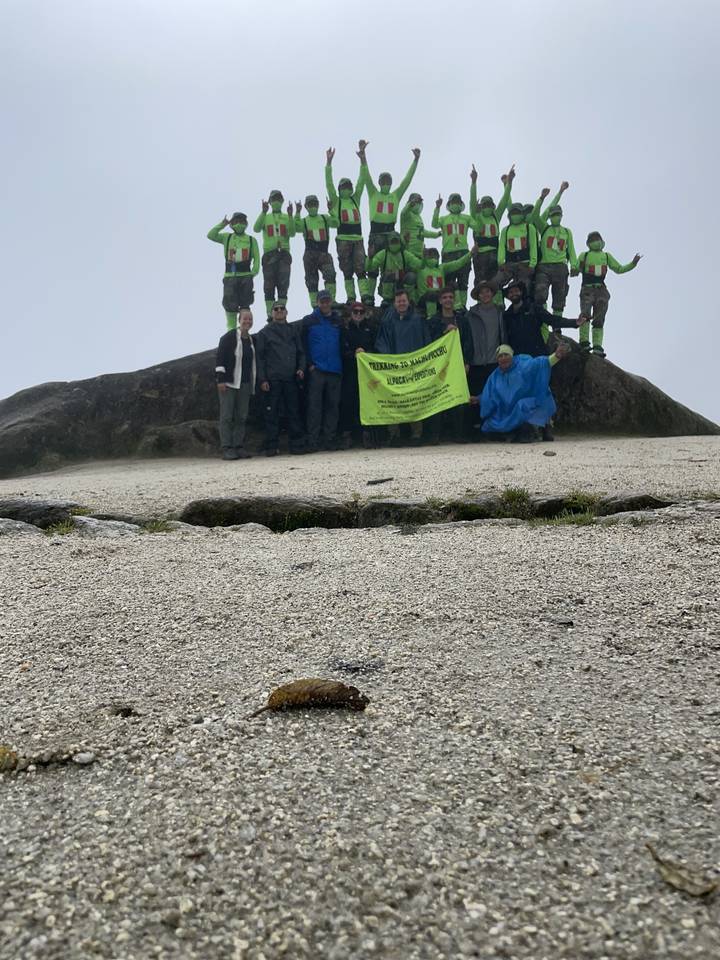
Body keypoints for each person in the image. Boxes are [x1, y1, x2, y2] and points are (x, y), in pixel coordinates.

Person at [503, 279, 583, 440]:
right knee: (522, 393)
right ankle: (526, 429)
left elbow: (553, 320)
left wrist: (575, 323)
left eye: (516, 290)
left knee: (543, 392)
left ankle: (546, 426)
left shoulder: (533, 308)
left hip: (538, 356)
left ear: (521, 291)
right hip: (519, 361)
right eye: (510, 292)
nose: (513, 293)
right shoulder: (507, 315)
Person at [375, 289, 441, 445]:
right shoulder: (388, 322)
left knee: (415, 399)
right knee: (394, 399)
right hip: (395, 368)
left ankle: (416, 434)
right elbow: (381, 342)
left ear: (408, 301)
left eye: (403, 300)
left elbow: (427, 342)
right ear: (394, 303)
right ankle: (393, 434)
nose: (401, 303)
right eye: (398, 301)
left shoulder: (418, 320)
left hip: (414, 367)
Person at [358, 140, 421, 300]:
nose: (385, 183)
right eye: (383, 181)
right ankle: (370, 297)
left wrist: (415, 161)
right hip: (376, 233)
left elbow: (407, 180)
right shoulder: (373, 193)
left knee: (392, 265)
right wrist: (363, 158)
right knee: (372, 268)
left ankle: (391, 296)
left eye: (388, 181)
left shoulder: (396, 195)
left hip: (391, 234)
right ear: (379, 183)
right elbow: (366, 177)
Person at [476, 342, 570, 442]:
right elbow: (490, 394)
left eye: (506, 355)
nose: (503, 358)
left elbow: (541, 363)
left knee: (522, 406)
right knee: (488, 425)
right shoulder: (494, 376)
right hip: (508, 411)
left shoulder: (523, 364)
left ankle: (545, 428)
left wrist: (556, 356)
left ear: (512, 355)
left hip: (529, 403)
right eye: (500, 356)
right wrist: (479, 398)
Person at [574, 232, 642, 357]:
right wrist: (576, 268)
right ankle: (583, 342)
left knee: (599, 318)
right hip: (587, 289)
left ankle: (597, 345)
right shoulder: (584, 255)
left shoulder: (606, 256)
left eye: (597, 239)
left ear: (601, 241)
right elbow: (574, 270)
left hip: (601, 290)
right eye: (593, 239)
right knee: (585, 314)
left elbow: (619, 269)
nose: (596, 242)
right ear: (588, 243)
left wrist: (633, 264)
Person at [255, 303, 306, 456]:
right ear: (271, 313)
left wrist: (301, 368)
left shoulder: (293, 331)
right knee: (272, 413)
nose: (279, 311)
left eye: (281, 309)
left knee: (293, 411)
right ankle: (272, 446)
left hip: (291, 378)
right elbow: (260, 358)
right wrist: (262, 379)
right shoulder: (264, 333)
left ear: (286, 312)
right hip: (272, 379)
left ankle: (296, 445)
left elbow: (301, 353)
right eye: (276, 309)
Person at [301, 291, 344, 452]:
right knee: (314, 406)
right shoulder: (308, 321)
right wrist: (310, 365)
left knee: (333, 406)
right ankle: (313, 440)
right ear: (317, 302)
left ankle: (329, 439)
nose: (325, 304)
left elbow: (342, 343)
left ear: (330, 302)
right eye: (322, 301)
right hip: (317, 370)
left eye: (327, 301)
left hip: (335, 369)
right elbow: (303, 344)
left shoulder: (337, 320)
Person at [325, 147, 369, 303]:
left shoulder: (355, 199)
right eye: (344, 186)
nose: (347, 188)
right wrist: (329, 162)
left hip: (358, 239)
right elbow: (329, 184)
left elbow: (362, 181)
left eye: (349, 186)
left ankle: (364, 295)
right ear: (339, 189)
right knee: (347, 270)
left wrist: (363, 160)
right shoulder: (336, 200)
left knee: (361, 268)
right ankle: (351, 297)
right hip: (342, 239)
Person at [531, 184, 577, 328]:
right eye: (553, 215)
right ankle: (542, 323)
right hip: (544, 266)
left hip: (561, 267)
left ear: (561, 216)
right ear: (550, 217)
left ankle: (557, 327)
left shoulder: (567, 231)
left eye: (557, 214)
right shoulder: (544, 228)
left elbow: (572, 251)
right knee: (540, 295)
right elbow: (534, 215)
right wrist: (541, 198)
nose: (555, 217)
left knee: (559, 299)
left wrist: (574, 265)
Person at [215, 309, 256, 460]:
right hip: (229, 383)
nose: (248, 321)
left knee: (241, 416)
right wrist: (221, 379)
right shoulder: (229, 337)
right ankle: (226, 447)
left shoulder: (251, 340)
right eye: (245, 319)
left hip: (244, 383)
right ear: (239, 320)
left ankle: (238, 446)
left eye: (250, 319)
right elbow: (220, 359)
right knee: (226, 416)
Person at [207, 213, 260, 330]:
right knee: (229, 303)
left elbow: (257, 257)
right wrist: (222, 224)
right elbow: (211, 235)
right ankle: (231, 330)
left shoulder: (251, 240)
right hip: (230, 276)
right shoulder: (227, 237)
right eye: (236, 222)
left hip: (246, 275)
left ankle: (245, 329)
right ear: (231, 224)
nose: (239, 224)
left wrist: (253, 273)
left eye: (241, 221)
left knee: (246, 303)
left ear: (246, 223)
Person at [469, 163, 514, 286]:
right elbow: (472, 201)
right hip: (480, 255)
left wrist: (509, 183)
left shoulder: (496, 216)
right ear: (481, 206)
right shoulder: (476, 215)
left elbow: (505, 200)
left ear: (493, 206)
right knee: (481, 283)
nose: (487, 207)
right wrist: (474, 182)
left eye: (490, 205)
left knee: (496, 282)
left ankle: (498, 304)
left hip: (495, 254)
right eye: (485, 205)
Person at [340, 301, 378, 448]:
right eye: (355, 312)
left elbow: (376, 348)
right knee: (348, 403)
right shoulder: (344, 329)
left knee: (367, 402)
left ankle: (368, 434)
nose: (358, 314)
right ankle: (347, 435)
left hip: (367, 373)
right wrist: (353, 354)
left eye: (361, 312)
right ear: (351, 313)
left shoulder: (371, 328)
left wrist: (366, 354)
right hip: (350, 371)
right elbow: (341, 350)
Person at [253, 191, 296, 319]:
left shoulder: (286, 216)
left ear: (282, 201)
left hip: (283, 254)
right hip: (269, 254)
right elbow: (256, 228)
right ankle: (270, 314)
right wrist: (263, 212)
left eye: (278, 198)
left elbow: (292, 233)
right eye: (273, 199)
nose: (276, 201)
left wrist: (290, 216)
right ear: (270, 202)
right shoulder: (266, 217)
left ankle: (281, 311)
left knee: (283, 284)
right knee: (269, 285)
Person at [431, 192, 474, 309]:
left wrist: (478, 212)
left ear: (461, 204)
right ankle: (452, 306)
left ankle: (463, 307)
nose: (455, 204)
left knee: (463, 282)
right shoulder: (444, 219)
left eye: (457, 202)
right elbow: (434, 224)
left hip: (464, 252)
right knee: (449, 282)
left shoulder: (467, 217)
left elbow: (478, 227)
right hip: (448, 254)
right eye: (453, 202)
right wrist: (437, 208)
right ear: (449, 204)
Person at [294, 195, 339, 308]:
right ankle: (314, 304)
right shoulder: (304, 221)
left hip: (324, 252)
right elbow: (296, 228)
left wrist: (331, 210)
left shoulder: (325, 218)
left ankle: (331, 301)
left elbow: (336, 223)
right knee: (311, 280)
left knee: (330, 275)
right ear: (306, 206)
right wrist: (297, 212)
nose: (313, 206)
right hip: (310, 254)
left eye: (315, 204)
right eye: (310, 204)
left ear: (318, 205)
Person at [366, 232, 423, 306]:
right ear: (388, 243)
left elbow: (419, 265)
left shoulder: (405, 254)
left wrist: (424, 257)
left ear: (400, 242)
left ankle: (409, 298)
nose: (394, 244)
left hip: (401, 284)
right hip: (387, 285)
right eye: (392, 242)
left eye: (396, 241)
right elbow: (370, 268)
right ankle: (387, 299)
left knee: (411, 276)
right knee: (388, 274)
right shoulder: (383, 254)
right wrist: (370, 258)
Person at [416, 246, 474, 318]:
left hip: (440, 299)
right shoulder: (421, 268)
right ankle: (431, 318)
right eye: (430, 255)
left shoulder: (442, 268)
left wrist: (471, 254)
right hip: (425, 300)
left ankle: (458, 309)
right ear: (426, 256)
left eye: (435, 255)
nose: (433, 257)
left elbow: (457, 263)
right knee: (431, 294)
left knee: (452, 284)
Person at [493, 203, 538, 291]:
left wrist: (532, 265)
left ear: (522, 215)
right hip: (509, 264)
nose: (515, 215)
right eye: (513, 213)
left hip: (525, 264)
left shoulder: (530, 227)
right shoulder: (505, 230)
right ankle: (498, 303)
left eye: (517, 212)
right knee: (495, 282)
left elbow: (533, 247)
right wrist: (501, 263)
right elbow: (502, 247)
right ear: (509, 216)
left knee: (524, 287)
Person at [400, 193, 441, 258]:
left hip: (420, 253)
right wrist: (410, 205)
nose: (418, 203)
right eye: (416, 201)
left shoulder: (418, 217)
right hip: (408, 251)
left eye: (420, 201)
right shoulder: (407, 214)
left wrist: (438, 234)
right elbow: (403, 213)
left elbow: (423, 232)